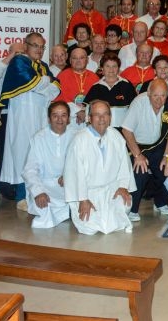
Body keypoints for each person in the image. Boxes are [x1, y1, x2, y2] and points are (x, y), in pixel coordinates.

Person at [0, 33, 61, 208]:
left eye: (42, 47)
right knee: (22, 154)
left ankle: (39, 192)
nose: (39, 50)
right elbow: (32, 82)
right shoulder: (19, 62)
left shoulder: (44, 66)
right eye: (35, 45)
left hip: (40, 115)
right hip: (22, 117)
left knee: (39, 153)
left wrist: (44, 83)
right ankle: (22, 196)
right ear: (26, 46)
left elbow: (56, 87)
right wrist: (45, 82)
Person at [64, 100, 136, 235]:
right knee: (88, 227)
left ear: (110, 117)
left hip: (111, 189)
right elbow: (75, 173)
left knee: (124, 203)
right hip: (87, 193)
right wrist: (83, 199)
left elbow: (124, 165)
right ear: (89, 118)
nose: (102, 119)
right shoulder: (79, 140)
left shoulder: (115, 135)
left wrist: (123, 186)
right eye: (97, 115)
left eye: (105, 114)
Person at [122, 79, 168, 221]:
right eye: (155, 95)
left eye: (163, 95)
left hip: (158, 145)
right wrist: (138, 155)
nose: (159, 99)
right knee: (140, 171)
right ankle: (133, 209)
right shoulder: (138, 102)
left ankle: (161, 203)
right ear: (148, 93)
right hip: (137, 146)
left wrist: (167, 155)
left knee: (166, 169)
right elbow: (126, 130)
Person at [22, 101, 73, 228]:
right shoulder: (38, 138)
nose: (59, 119)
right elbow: (30, 170)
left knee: (81, 200)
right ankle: (70, 213)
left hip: (69, 185)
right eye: (55, 115)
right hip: (45, 185)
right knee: (45, 205)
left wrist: (69, 174)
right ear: (49, 119)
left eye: (63, 115)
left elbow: (84, 164)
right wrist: (38, 192)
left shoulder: (76, 137)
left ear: (68, 119)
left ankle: (70, 212)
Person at [83, 53, 136, 128]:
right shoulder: (95, 87)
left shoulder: (127, 85)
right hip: (101, 129)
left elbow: (134, 109)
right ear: (102, 69)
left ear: (118, 68)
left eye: (114, 66)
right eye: (107, 66)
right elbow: (88, 110)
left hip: (123, 130)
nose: (111, 69)